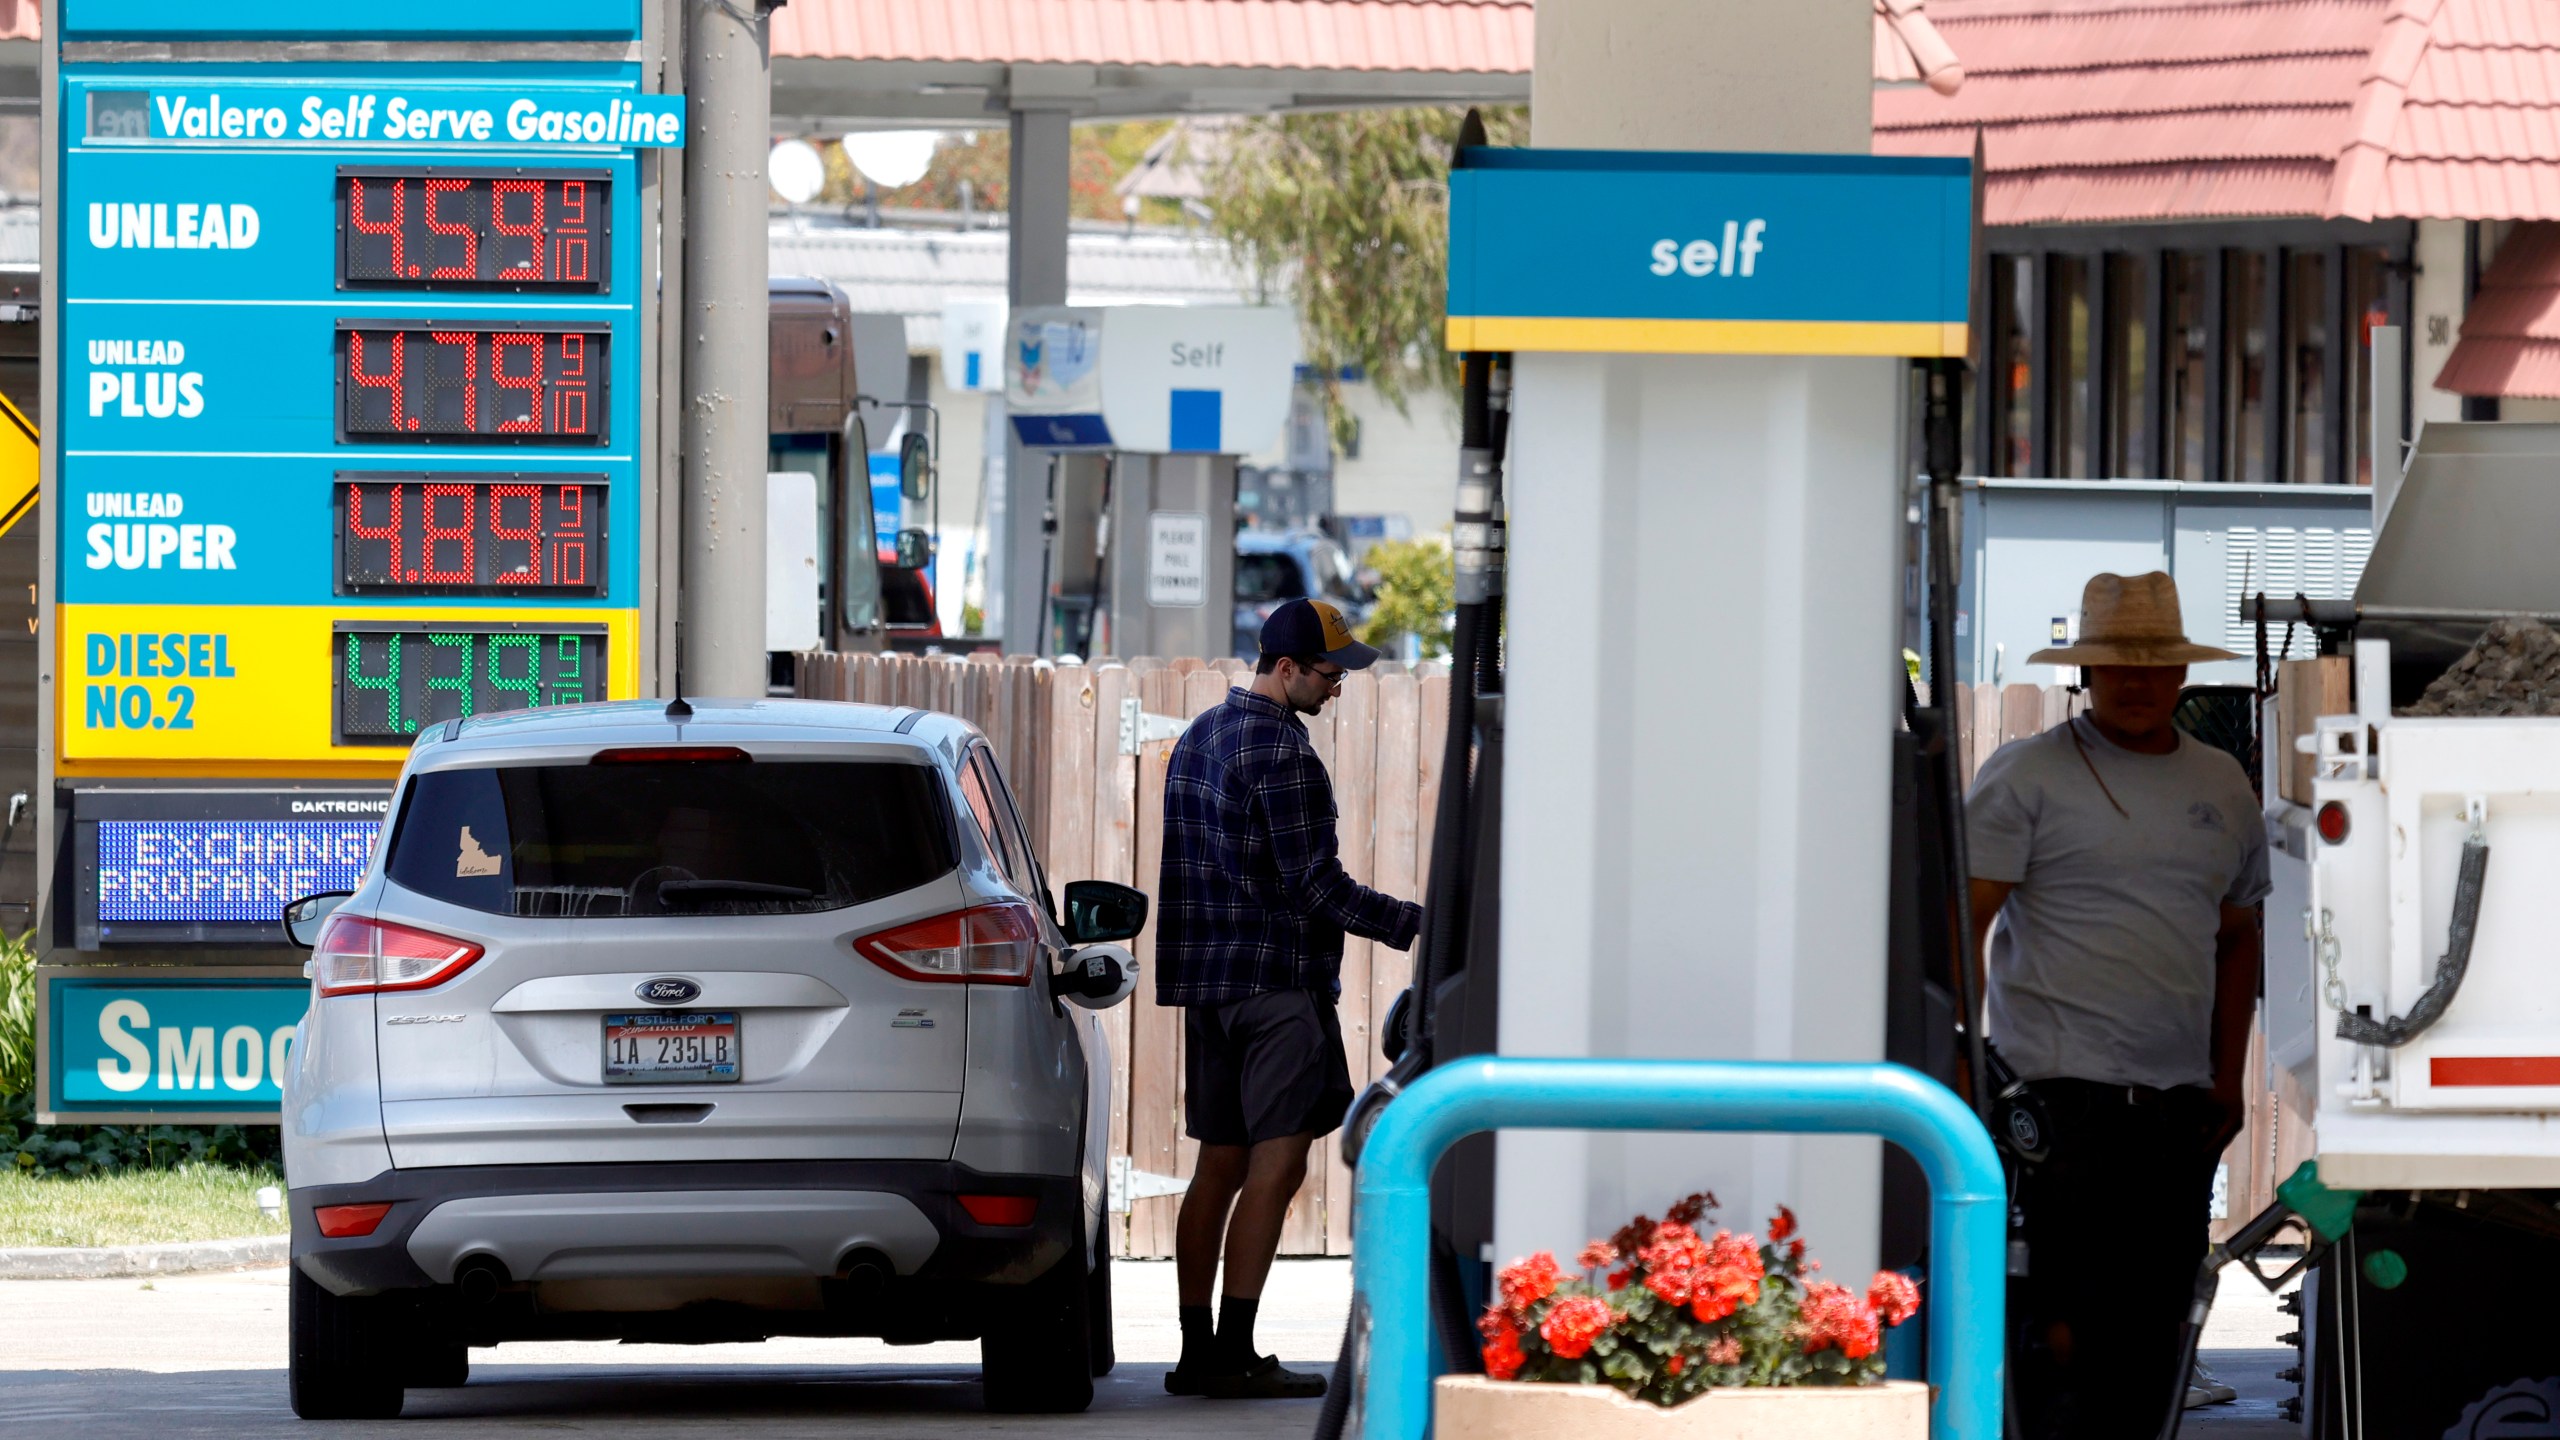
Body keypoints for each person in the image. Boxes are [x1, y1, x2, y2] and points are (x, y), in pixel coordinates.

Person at [1965, 572, 2268, 1440]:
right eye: (2116, 666)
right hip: (2055, 1098)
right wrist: (1964, 1068)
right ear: (2085, 674)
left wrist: (2226, 1078)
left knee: (2159, 1322)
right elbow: (1964, 924)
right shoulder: (2025, 775)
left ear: (2181, 676)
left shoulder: (2223, 783)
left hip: (2176, 1103)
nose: (2136, 683)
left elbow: (2238, 936)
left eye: (2155, 667)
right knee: (2057, 1330)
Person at [1156, 597, 1424, 1399]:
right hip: (1275, 989)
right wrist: (1418, 925)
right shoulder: (1285, 755)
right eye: (1329, 670)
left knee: (1217, 1168)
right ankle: (1235, 1354)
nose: (1338, 684)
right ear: (1285, 668)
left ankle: (1196, 1349)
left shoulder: (1200, 736)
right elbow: (1317, 887)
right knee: (1278, 1165)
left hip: (1208, 989)